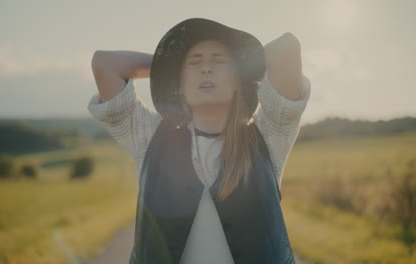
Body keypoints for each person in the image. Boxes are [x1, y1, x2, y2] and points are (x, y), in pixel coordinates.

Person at [87, 18, 310, 264]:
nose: (205, 68)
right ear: (179, 84)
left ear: (239, 79)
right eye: (194, 63)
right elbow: (105, 64)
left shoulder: (268, 135)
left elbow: (286, 48)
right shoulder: (149, 137)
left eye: (218, 60)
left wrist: (241, 64)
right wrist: (168, 64)